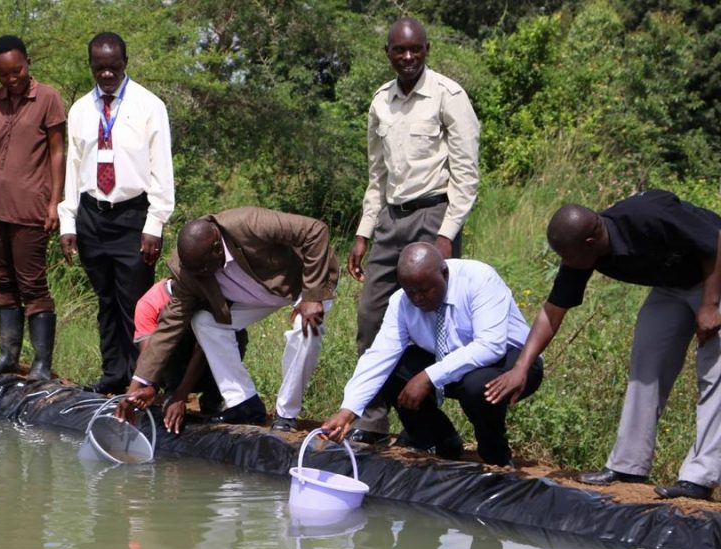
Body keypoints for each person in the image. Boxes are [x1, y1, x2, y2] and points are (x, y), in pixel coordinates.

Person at [485, 190, 721, 500]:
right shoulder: (583, 248)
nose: (566, 264)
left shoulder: (648, 215)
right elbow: (552, 312)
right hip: (673, 284)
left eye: (568, 257)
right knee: (646, 364)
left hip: (714, 272)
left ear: (590, 243)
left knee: (715, 375)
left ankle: (699, 478)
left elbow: (715, 241)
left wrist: (710, 304)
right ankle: (628, 465)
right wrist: (520, 368)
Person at [345, 17, 480, 445]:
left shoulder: (448, 96)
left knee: (429, 320)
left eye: (415, 50)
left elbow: (466, 175)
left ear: (426, 50)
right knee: (371, 316)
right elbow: (376, 175)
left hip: (433, 217)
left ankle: (423, 424)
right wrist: (365, 231)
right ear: (388, 53)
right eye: (399, 51)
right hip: (391, 219)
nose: (407, 58)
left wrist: (447, 232)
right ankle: (372, 416)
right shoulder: (380, 102)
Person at [115, 207, 339, 431]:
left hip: (304, 280)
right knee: (204, 321)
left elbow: (315, 230)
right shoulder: (189, 267)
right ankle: (245, 404)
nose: (199, 275)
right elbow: (168, 328)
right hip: (255, 293)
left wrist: (312, 294)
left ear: (216, 248)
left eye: (203, 269)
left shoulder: (248, 223)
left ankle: (286, 414)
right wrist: (137, 387)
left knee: (306, 329)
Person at [323, 243, 541, 466]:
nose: (418, 299)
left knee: (477, 386)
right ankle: (441, 443)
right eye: (411, 292)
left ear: (444, 273)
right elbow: (379, 355)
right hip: (449, 360)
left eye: (426, 290)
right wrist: (348, 410)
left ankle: (496, 457)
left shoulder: (479, 279)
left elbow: (490, 345)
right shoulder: (401, 302)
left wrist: (429, 376)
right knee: (393, 371)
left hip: (514, 364)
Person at [58, 31, 174, 395]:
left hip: (133, 215)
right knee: (106, 300)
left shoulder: (148, 105)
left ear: (125, 63)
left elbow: (161, 169)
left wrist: (154, 224)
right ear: (91, 65)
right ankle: (113, 374)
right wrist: (68, 221)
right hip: (92, 214)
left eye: (113, 67)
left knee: (135, 304)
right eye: (99, 67)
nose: (106, 74)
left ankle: (143, 380)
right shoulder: (80, 109)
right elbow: (73, 170)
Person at [0, 35, 66, 381]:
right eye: (3, 74)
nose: (11, 78)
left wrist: (54, 202)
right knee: (2, 281)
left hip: (30, 206)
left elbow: (56, 153)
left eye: (16, 70)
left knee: (32, 284)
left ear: (28, 62)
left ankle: (41, 365)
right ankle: (7, 356)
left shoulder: (47, 98)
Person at [133, 278, 247, 434]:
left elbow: (202, 350)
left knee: (235, 334)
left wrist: (181, 396)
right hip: (174, 367)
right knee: (169, 334)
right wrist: (149, 388)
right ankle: (171, 392)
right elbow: (149, 355)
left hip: (204, 365)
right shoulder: (149, 303)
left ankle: (212, 399)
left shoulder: (210, 296)